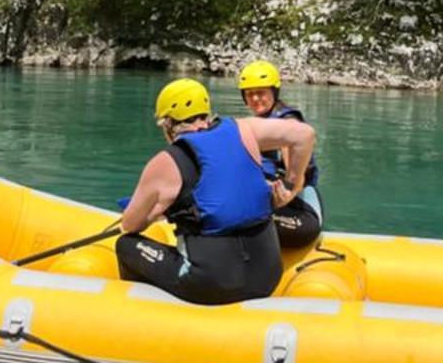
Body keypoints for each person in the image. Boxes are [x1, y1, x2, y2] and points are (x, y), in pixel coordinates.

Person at [116, 78, 318, 305]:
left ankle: (142, 318)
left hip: (211, 286)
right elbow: (305, 135)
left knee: (125, 245)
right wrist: (291, 185)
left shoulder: (164, 162)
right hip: (268, 278)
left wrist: (155, 213)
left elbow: (130, 225)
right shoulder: (245, 129)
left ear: (168, 123)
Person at [238, 58, 324, 251]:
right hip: (273, 207)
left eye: (261, 93)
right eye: (249, 94)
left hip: (300, 214)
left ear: (274, 92)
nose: (255, 99)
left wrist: (281, 197)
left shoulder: (288, 124)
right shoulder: (258, 125)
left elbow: (297, 179)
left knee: (240, 220)